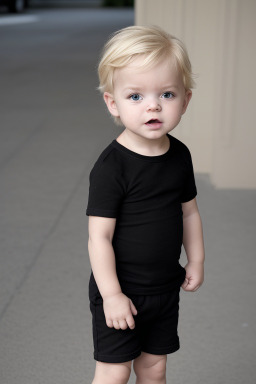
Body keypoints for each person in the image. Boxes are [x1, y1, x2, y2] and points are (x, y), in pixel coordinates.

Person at [86, 25, 205, 384]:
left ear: (185, 100)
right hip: (122, 289)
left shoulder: (179, 155)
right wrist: (112, 295)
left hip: (164, 288)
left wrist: (196, 259)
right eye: (135, 96)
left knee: (154, 368)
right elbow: (99, 238)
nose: (153, 105)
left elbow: (189, 211)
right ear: (114, 103)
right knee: (114, 370)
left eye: (166, 94)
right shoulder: (112, 167)